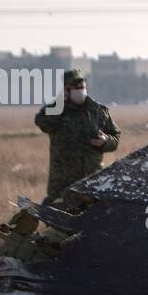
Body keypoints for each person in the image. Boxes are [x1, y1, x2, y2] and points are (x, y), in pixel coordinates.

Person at [34, 69, 121, 204]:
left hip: (91, 179)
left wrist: (105, 141)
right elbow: (42, 123)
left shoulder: (98, 111)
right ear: (66, 89)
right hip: (63, 181)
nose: (80, 90)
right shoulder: (56, 110)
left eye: (82, 87)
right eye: (75, 88)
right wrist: (60, 104)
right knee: (56, 217)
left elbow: (115, 137)